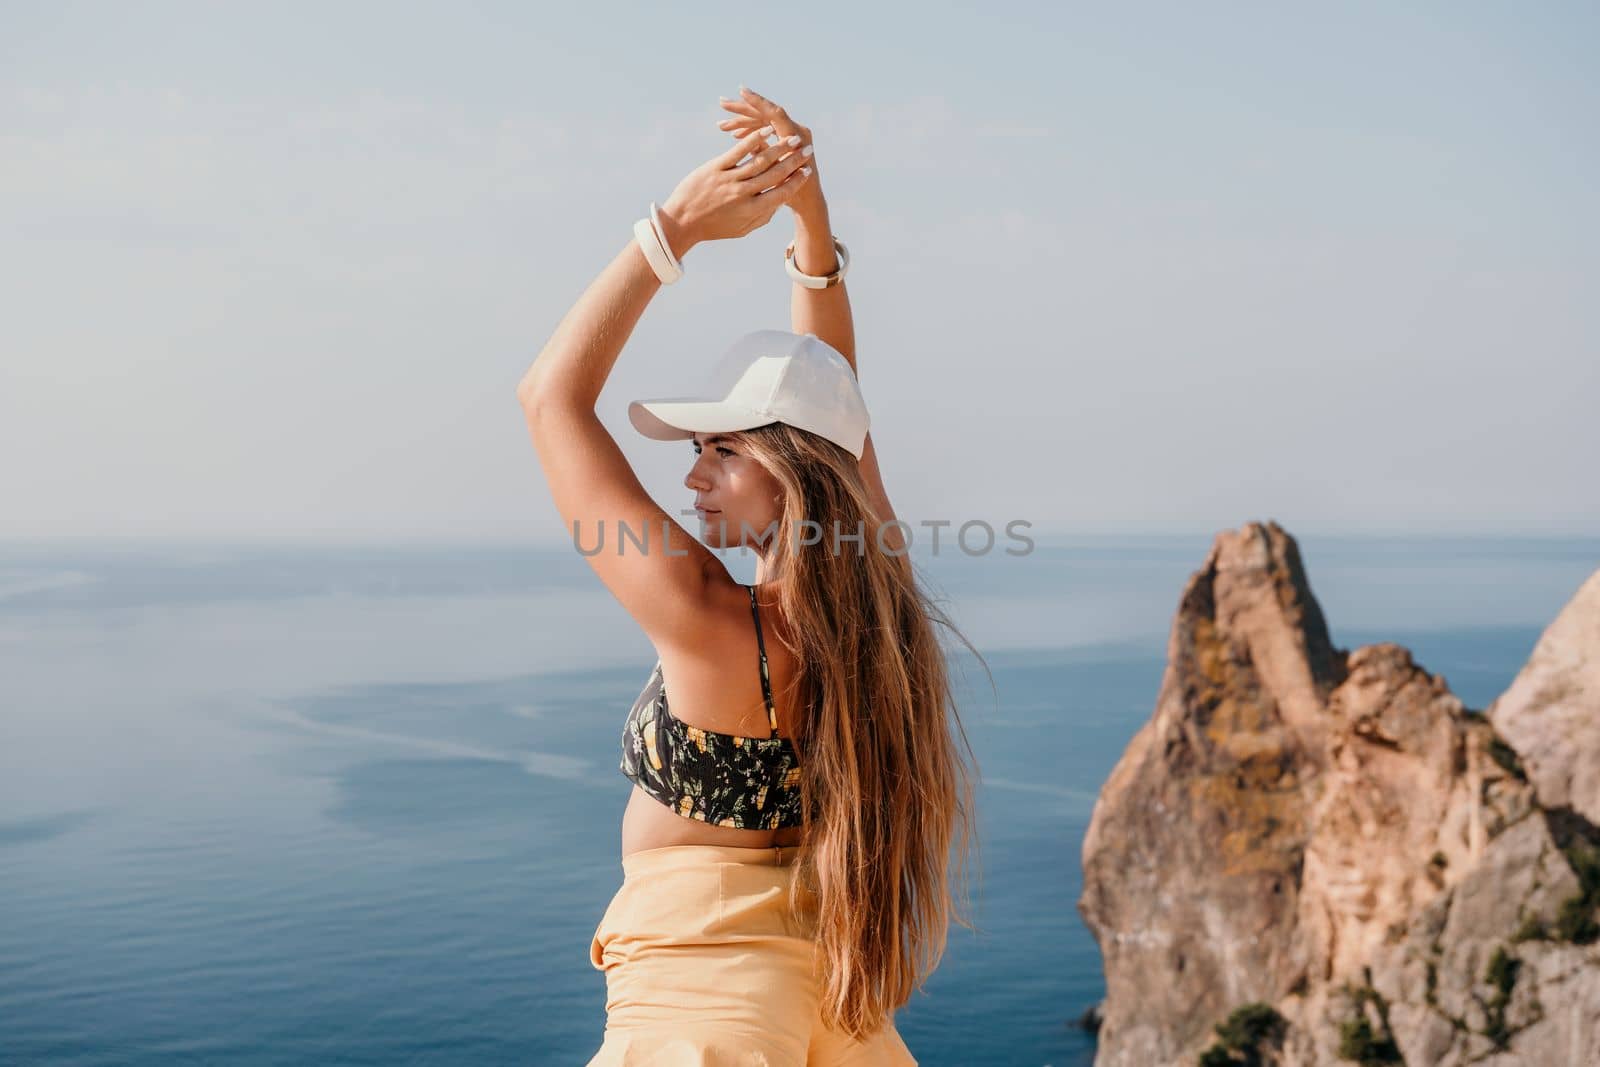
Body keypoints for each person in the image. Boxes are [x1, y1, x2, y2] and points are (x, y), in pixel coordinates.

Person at [517, 85, 984, 1066]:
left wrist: (672, 228)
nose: (690, 474)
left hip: (700, 993)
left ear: (787, 468)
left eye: (718, 448)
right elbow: (830, 389)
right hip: (831, 990)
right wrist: (808, 221)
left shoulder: (709, 618)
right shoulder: (879, 593)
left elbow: (550, 398)